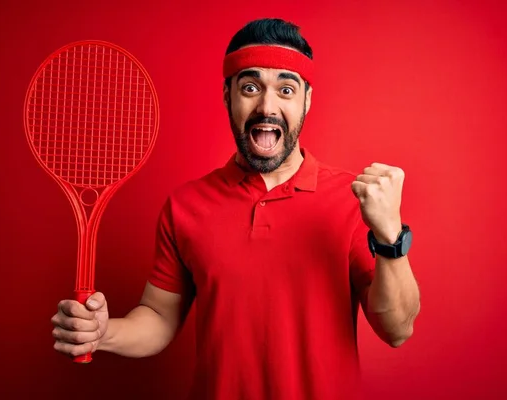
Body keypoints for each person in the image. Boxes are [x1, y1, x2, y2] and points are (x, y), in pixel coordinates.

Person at [51, 18, 421, 399]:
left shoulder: (352, 199)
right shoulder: (186, 206)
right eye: (250, 87)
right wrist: (102, 332)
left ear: (307, 100)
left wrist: (390, 234)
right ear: (228, 96)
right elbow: (159, 317)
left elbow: (398, 329)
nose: (267, 106)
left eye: (286, 89)